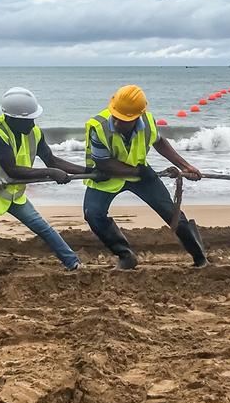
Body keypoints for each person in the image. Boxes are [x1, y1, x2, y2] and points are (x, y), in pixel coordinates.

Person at [0, 87, 84, 271]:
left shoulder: (34, 132)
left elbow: (51, 160)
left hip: (6, 190)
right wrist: (50, 173)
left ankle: (73, 263)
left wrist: (87, 169)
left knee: (41, 226)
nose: (32, 123)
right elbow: (13, 171)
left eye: (33, 118)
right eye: (27, 120)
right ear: (11, 119)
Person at [83, 85, 208, 269]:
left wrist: (185, 166)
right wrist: (139, 172)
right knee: (93, 214)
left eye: (125, 120)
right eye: (116, 117)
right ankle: (125, 255)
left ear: (138, 117)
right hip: (108, 175)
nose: (118, 123)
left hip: (141, 175)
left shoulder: (148, 122)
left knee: (171, 212)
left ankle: (199, 256)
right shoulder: (97, 127)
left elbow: (159, 142)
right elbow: (103, 163)